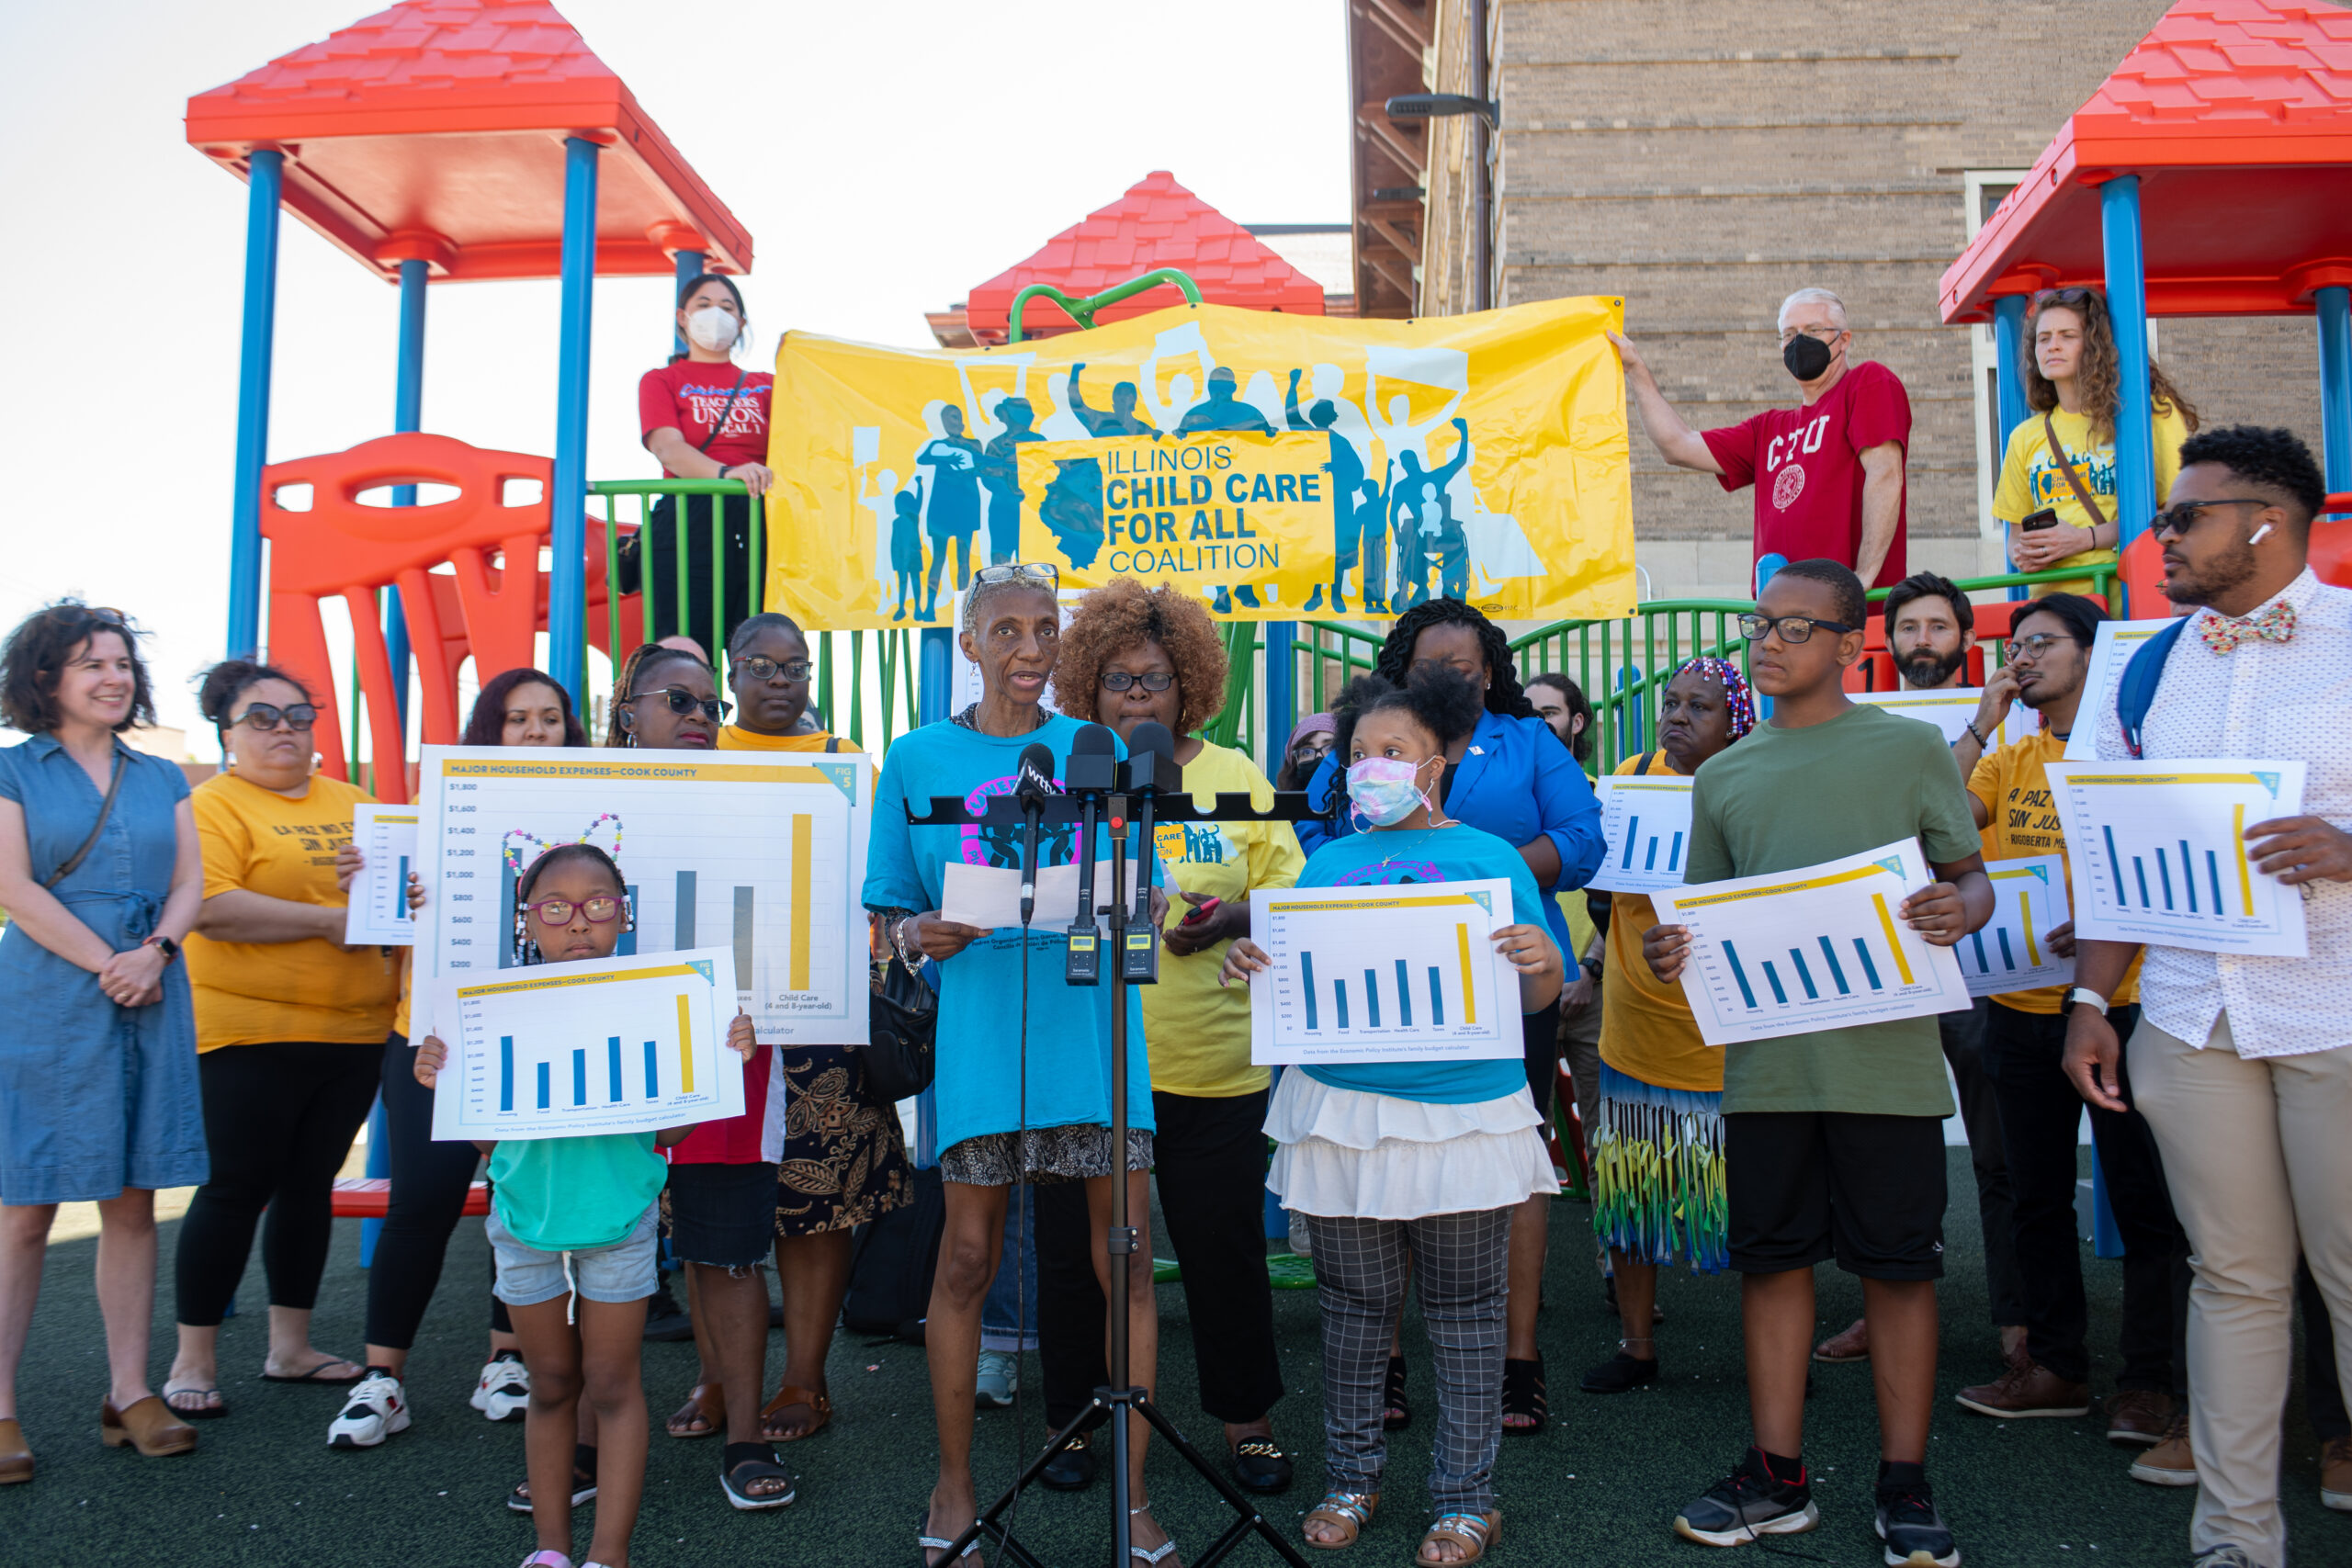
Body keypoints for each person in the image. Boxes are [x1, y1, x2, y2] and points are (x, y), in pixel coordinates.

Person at [1645, 558, 1990, 1564]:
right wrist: (1674, 952)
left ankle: (1904, 1482)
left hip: (1886, 1068)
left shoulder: (1911, 747)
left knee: (1898, 1273)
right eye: (1763, 622)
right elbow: (1696, 926)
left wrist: (1952, 908)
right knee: (1772, 1267)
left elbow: (1970, 885)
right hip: (1766, 1075)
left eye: (1797, 627)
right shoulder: (1722, 774)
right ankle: (1776, 1476)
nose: (1769, 639)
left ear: (1849, 646)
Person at [2068, 426, 2352, 1568]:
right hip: (2188, 1017)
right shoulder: (2142, 662)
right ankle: (2236, 1544)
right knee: (2231, 1279)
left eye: (2184, 517)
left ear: (2266, 521)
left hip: (2336, 1010)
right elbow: (2109, 851)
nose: (2162, 538)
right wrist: (2092, 1001)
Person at [863, 563, 1178, 1568]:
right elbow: (886, 920)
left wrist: (1147, 900)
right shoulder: (913, 760)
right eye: (1007, 630)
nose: (1032, 649)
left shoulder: (1097, 749)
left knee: (1123, 1255)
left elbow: (1147, 892)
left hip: (1093, 1038)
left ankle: (1131, 1501)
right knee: (964, 1260)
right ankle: (954, 1485)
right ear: (968, 644)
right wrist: (920, 928)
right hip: (982, 1039)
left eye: (1045, 628)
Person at [1222, 665, 1564, 1565]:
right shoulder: (1327, 863)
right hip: (1340, 1118)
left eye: (1393, 752)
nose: (1370, 767)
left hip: (1462, 1124)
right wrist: (1255, 963)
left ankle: (1465, 1498)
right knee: (1353, 1309)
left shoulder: (1493, 861)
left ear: (1439, 761)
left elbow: (1538, 998)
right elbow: (1298, 975)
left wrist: (1539, 961)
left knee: (1463, 1313)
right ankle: (1351, 1478)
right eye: (1359, 752)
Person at [1296, 601, 1605, 1437]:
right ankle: (1388, 1360)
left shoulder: (1526, 741)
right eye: (1431, 664)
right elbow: (1315, 829)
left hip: (1503, 971)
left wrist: (1473, 885)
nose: (1448, 677)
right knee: (1383, 1157)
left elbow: (1582, 837)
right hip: (1373, 990)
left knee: (1502, 1152)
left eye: (1464, 665)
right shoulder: (1367, 743)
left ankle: (1517, 1360)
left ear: (1489, 668)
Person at [413, 843, 762, 1568]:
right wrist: (441, 1078)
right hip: (524, 1218)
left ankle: (609, 1553)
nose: (579, 924)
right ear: (527, 920)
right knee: (550, 1383)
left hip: (619, 1216)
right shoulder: (491, 1010)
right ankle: (550, 1550)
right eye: (556, 908)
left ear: (624, 914)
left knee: (610, 1381)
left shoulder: (653, 1003)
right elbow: (487, 1141)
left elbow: (669, 1127)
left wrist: (722, 1064)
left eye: (598, 905)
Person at [1037, 581, 1306, 1495]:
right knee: (1078, 1259)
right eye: (1118, 680)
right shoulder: (1061, 776)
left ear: (1189, 684)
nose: (1138, 696)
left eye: (1155, 680)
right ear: (1086, 688)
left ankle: (1246, 1422)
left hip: (1208, 1062)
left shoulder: (1235, 775)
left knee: (1220, 1249)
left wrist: (1226, 921)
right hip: (1086, 1061)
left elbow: (1288, 900)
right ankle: (1073, 1421)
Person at [1926, 594, 2194, 1452]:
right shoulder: (2009, 757)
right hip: (2018, 1008)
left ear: (2093, 655)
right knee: (2036, 1195)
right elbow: (1939, 824)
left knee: (2146, 1201)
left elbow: (2174, 863)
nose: (2024, 657)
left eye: (2043, 643)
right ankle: (2056, 1366)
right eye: (2017, 645)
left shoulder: (2131, 756)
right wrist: (1980, 719)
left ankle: (2150, 1383)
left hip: (2124, 1005)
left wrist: (2120, 922)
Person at [326, 669, 593, 1452]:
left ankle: (505, 1360)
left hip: (541, 1037)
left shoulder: (593, 822)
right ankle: (384, 1378)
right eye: (517, 719)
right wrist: (377, 892)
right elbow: (379, 938)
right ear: (489, 730)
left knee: (521, 1202)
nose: (536, 731)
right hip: (433, 1035)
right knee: (423, 1201)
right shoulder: (428, 817)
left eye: (550, 718)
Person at [0, 604, 207, 1473]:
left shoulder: (163, 776)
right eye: (91, 663)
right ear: (45, 679)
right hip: (51, 994)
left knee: (132, 1199)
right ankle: (1, 1407)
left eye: (122, 662)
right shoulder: (12, 772)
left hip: (152, 984)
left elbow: (192, 882)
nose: (114, 676)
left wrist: (154, 952)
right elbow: (14, 886)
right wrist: (110, 963)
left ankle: (129, 1390)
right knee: (24, 1208)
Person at [164, 660, 401, 1418]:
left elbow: (396, 895)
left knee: (309, 1186)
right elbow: (211, 906)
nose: (284, 731)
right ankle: (191, 1359)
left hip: (355, 1026)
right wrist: (335, 919)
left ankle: (290, 1347)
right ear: (226, 733)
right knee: (235, 1187)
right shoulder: (207, 806)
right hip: (249, 1030)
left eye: (299, 715)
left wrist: (398, 890)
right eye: (261, 718)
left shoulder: (357, 800)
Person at [1813, 572, 2029, 1373]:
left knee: (1999, 1155)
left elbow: (1955, 817)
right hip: (1884, 967)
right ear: (1886, 641)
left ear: (1965, 640)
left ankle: (2018, 1328)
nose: (1924, 639)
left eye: (1939, 626)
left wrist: (1980, 724)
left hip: (1985, 968)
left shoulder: (2010, 716)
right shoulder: (1862, 726)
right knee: (1880, 1152)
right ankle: (1880, 1308)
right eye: (1909, 627)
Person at [597, 645, 794, 1508]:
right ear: (625, 712)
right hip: (597, 1060)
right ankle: (573, 1442)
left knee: (729, 1256)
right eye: (678, 699)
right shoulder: (571, 807)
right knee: (584, 1249)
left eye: (711, 704)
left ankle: (746, 1432)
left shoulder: (766, 806)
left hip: (730, 1056)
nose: (701, 716)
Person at [714, 615, 913, 1450]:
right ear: (732, 673)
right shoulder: (694, 754)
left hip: (821, 1009)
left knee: (820, 1200)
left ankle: (804, 1374)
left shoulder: (846, 761)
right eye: (760, 664)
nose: (779, 678)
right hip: (720, 1013)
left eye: (794, 665)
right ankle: (721, 1380)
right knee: (709, 1204)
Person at [1578, 658, 1753, 1397]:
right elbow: (1599, 889)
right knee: (1630, 1199)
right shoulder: (1630, 774)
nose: (1677, 716)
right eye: (1671, 702)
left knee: (1757, 1208)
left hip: (1731, 1038)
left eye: (1700, 706)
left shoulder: (1753, 785)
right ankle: (1638, 1345)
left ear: (1735, 723)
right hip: (1638, 1030)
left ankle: (1772, 1355)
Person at [1614, 288, 1911, 592]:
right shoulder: (1767, 429)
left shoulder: (1867, 383)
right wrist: (1636, 369)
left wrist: (1863, 577)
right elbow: (1677, 445)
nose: (1800, 342)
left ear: (1844, 339)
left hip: (1849, 614)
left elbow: (1885, 474)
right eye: (1789, 334)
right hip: (1780, 620)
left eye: (1813, 330)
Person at [1997, 287, 2199, 597]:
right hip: (2053, 614)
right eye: (2044, 338)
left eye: (2067, 335)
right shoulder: (2024, 436)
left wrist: (2086, 539)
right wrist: (2024, 554)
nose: (2053, 346)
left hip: (2125, 602)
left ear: (2095, 345)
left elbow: (2175, 514)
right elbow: (2014, 537)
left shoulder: (2149, 414)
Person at [638, 273, 774, 655]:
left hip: (757, 518)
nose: (716, 314)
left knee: (759, 648)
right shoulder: (662, 380)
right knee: (684, 649)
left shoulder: (767, 384)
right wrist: (726, 475)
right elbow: (667, 447)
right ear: (683, 317)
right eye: (704, 305)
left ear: (742, 323)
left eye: (727, 307)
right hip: (687, 520)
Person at [1522, 671, 1604, 1197]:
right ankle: (1524, 1280)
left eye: (1549, 713)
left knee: (1609, 1136)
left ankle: (1614, 1268)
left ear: (1576, 722)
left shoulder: (1601, 799)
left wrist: (1590, 970)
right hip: (1531, 981)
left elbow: (1617, 895)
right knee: (1528, 1137)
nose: (1538, 723)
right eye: (1529, 714)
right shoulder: (1517, 806)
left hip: (1595, 990)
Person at [1274, 713, 1337, 793]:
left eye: (1330, 748)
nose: (1319, 757)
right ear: (1294, 762)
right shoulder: (1281, 805)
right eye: (1307, 752)